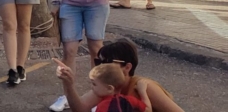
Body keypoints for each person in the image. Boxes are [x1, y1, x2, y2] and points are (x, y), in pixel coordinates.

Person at [56, 39, 184, 112]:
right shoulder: (107, 84)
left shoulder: (145, 87)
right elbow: (80, 109)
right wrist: (68, 84)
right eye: (99, 62)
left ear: (127, 67)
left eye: (107, 62)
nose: (101, 67)